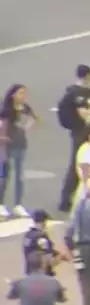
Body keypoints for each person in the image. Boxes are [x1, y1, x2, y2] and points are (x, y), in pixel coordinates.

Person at [58, 65, 90, 212]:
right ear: (87, 76)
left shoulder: (85, 91)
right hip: (80, 132)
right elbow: (84, 114)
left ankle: (72, 197)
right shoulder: (78, 93)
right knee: (77, 164)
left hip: (83, 131)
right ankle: (66, 198)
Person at [0, 83, 37, 218]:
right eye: (21, 93)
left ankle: (18, 204)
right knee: (5, 175)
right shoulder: (6, 109)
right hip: (7, 145)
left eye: (25, 93)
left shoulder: (25, 108)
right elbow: (2, 124)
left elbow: (34, 118)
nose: (24, 96)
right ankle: (1, 203)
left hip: (21, 144)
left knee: (19, 176)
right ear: (13, 95)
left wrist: (26, 128)